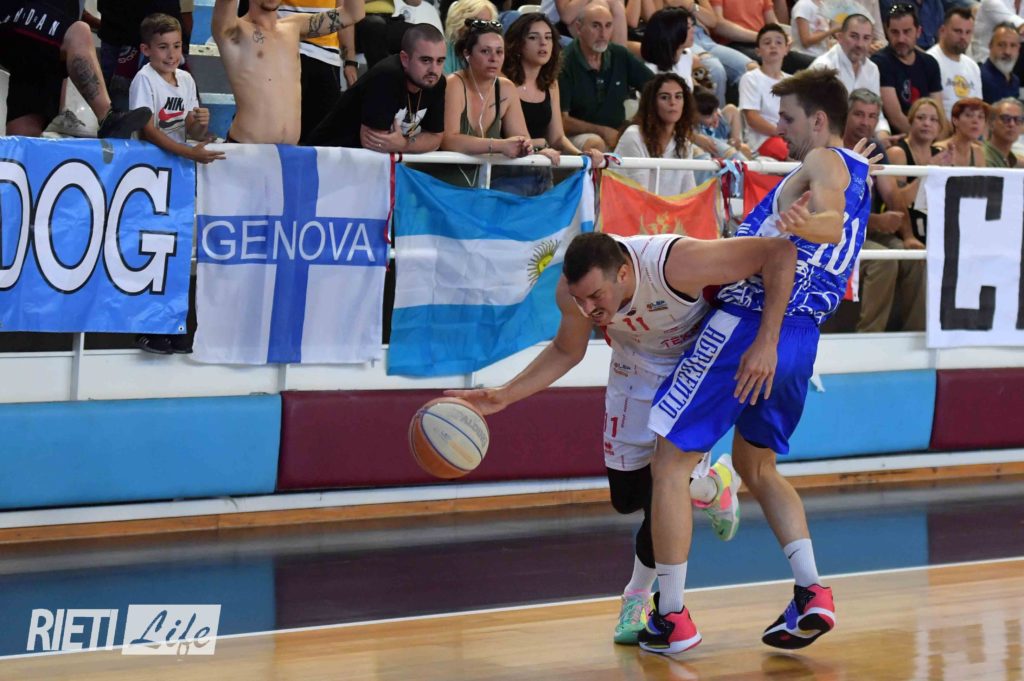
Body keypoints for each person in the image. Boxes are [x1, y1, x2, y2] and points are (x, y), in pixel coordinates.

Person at [447, 229, 799, 646]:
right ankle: (711, 487)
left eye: (595, 296)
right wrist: (504, 395)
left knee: (660, 492)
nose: (587, 308)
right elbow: (567, 350)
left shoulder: (676, 262)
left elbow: (777, 252)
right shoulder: (575, 291)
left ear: (625, 274)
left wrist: (768, 341)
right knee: (626, 498)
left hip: (693, 367)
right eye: (580, 299)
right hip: (633, 369)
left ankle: (638, 596)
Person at [638, 68, 875, 655]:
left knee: (669, 464)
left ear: (819, 121)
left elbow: (829, 220)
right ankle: (812, 591)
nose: (780, 129)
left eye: (789, 118)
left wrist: (808, 223)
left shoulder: (821, 160)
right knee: (756, 465)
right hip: (801, 338)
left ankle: (670, 617)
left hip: (750, 327)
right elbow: (837, 205)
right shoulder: (852, 166)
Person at [212, 0, 366, 144]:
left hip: (288, 153)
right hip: (247, 149)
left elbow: (354, 13)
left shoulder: (294, 26)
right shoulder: (234, 30)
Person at [0, 1, 152, 138]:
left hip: (40, 47)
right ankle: (107, 117)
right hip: (27, 20)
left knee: (23, 135)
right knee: (78, 32)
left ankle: (16, 159)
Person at [842, 89, 925, 334]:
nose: (865, 122)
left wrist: (908, 236)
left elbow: (892, 196)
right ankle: (869, 337)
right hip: (838, 232)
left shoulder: (874, 145)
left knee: (914, 257)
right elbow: (833, 208)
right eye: (859, 114)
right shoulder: (832, 144)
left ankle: (914, 335)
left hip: (867, 229)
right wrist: (876, 221)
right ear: (846, 115)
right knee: (883, 260)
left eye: (872, 116)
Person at [497, 13, 603, 195]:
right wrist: (540, 146)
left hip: (541, 171)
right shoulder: (503, 82)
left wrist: (580, 155)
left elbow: (557, 138)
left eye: (548, 38)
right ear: (518, 44)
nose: (543, 43)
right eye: (533, 37)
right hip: (506, 172)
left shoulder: (550, 84)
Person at [439, 19, 550, 187]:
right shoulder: (454, 83)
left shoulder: (506, 88)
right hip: (446, 181)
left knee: (539, 172)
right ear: (467, 54)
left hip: (488, 181)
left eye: (499, 52)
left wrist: (535, 148)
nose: (494, 59)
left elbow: (522, 138)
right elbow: (449, 140)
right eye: (485, 51)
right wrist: (499, 145)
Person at [305, 23, 447, 151]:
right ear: (405, 59)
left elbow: (436, 138)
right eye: (426, 60)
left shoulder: (435, 82)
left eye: (440, 61)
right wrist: (411, 144)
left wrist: (404, 144)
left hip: (363, 162)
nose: (434, 70)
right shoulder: (387, 76)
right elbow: (374, 143)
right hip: (327, 156)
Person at [558, 1, 654, 153]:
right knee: (595, 143)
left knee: (644, 137)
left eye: (608, 26)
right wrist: (602, 131)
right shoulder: (565, 62)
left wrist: (637, 122)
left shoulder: (619, 54)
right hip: (577, 136)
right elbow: (562, 121)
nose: (603, 34)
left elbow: (655, 88)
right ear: (579, 28)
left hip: (618, 132)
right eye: (596, 26)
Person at [613, 73, 701, 196]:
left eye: (678, 97)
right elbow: (637, 196)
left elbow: (688, 194)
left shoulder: (684, 144)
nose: (673, 102)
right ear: (652, 103)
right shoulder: (634, 136)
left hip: (665, 208)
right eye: (664, 97)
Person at [810, 14, 891, 137]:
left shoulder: (872, 69)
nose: (860, 44)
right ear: (840, 37)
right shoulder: (823, 67)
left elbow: (876, 113)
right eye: (854, 36)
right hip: (828, 137)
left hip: (860, 137)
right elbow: (814, 117)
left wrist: (883, 134)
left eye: (866, 38)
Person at [872, 2, 944, 134]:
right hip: (899, 138)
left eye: (907, 32)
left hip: (928, 136)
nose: (901, 39)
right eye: (895, 32)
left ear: (918, 32)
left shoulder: (930, 63)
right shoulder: (880, 62)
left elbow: (938, 113)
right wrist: (921, 140)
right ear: (887, 32)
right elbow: (896, 118)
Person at [887, 96, 950, 243]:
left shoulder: (940, 155)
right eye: (921, 118)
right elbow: (897, 202)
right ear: (910, 121)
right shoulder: (898, 153)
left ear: (940, 127)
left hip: (933, 229)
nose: (927, 123)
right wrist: (928, 173)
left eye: (933, 120)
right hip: (902, 231)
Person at [739, 24, 789, 161]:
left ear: (786, 49)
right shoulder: (751, 78)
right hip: (762, 140)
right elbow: (752, 118)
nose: (773, 46)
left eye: (778, 42)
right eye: (767, 43)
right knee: (796, 156)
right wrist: (781, 133)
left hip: (788, 137)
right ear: (758, 51)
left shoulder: (793, 81)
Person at [926, 7, 983, 121]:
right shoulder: (929, 61)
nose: (963, 37)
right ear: (942, 31)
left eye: (968, 32)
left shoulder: (973, 66)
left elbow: (978, 107)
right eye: (958, 31)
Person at [934, 96, 989, 167]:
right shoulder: (939, 149)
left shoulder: (978, 152)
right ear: (955, 120)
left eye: (980, 117)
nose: (975, 121)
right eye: (969, 115)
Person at [980, 22, 1022, 103]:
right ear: (990, 46)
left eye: (1013, 45)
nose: (1007, 52)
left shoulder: (1015, 81)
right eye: (1001, 45)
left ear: (1018, 49)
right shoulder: (980, 77)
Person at [983, 97, 1023, 167]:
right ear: (991, 123)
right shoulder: (984, 158)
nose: (1012, 124)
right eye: (1005, 118)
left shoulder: (1011, 159)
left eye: (1017, 119)